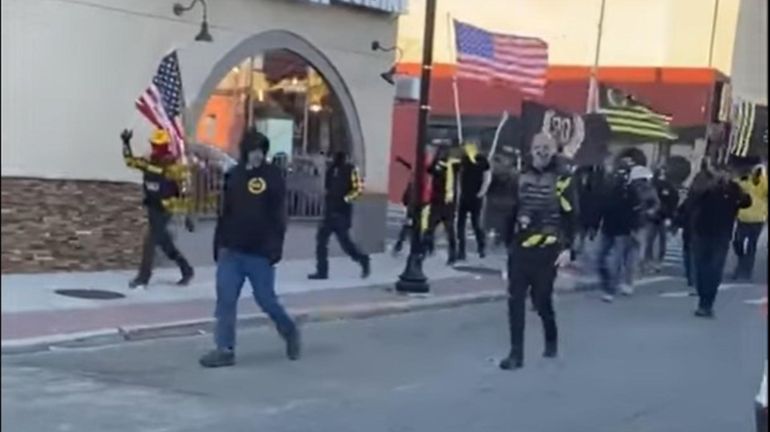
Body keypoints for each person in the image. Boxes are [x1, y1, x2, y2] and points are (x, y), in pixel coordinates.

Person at [200, 129, 300, 368]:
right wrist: (219, 243)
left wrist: (276, 247)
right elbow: (225, 211)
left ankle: (289, 330)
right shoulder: (234, 175)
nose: (255, 156)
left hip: (260, 253)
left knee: (266, 299)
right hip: (231, 251)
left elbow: (279, 215)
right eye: (251, 151)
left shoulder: (273, 176)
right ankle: (225, 349)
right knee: (225, 300)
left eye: (259, 152)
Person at [499, 133, 576, 371]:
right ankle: (516, 354)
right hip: (521, 247)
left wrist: (568, 248)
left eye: (546, 147)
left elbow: (572, 215)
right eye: (537, 147)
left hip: (548, 248)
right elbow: (510, 210)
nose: (541, 151)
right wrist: (504, 241)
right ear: (531, 150)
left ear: (553, 150)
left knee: (542, 300)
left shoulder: (563, 179)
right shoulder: (519, 176)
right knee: (515, 301)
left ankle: (551, 339)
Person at [121, 129, 194, 290]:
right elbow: (130, 161)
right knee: (164, 243)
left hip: (166, 209)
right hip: (153, 207)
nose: (154, 148)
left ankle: (143, 277)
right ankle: (186, 269)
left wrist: (188, 215)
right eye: (154, 145)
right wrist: (126, 143)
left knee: (150, 241)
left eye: (157, 145)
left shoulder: (173, 168)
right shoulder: (148, 163)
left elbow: (185, 190)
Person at [689, 164, 751, 318]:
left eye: (727, 173)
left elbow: (746, 202)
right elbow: (693, 199)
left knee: (715, 269)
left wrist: (737, 190)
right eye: (720, 172)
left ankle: (707, 303)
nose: (723, 176)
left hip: (722, 234)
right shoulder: (706, 187)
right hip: (702, 231)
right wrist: (711, 185)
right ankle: (702, 295)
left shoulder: (733, 188)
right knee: (700, 267)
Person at [308, 151, 370, 280]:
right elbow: (328, 188)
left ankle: (363, 259)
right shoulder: (332, 169)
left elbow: (358, 189)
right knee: (321, 241)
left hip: (342, 213)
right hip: (330, 212)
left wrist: (346, 199)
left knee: (346, 244)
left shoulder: (351, 170)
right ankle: (322, 271)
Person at [596, 161, 638, 302]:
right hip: (608, 227)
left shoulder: (630, 190)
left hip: (623, 230)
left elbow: (635, 211)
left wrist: (633, 227)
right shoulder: (608, 187)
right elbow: (601, 206)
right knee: (600, 258)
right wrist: (596, 223)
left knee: (616, 260)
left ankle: (610, 289)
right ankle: (607, 284)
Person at [423, 146, 460, 265]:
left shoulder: (454, 166)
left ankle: (452, 255)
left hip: (446, 203)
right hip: (439, 202)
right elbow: (429, 169)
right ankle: (428, 249)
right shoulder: (439, 166)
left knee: (448, 231)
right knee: (430, 229)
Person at [732, 160, 768, 281]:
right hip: (746, 217)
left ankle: (745, 270)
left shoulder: (763, 182)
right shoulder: (745, 180)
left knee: (747, 245)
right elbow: (735, 185)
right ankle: (743, 266)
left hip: (755, 218)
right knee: (739, 243)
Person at [456, 141, 492, 260]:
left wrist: (482, 192)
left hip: (476, 196)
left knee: (475, 223)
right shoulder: (464, 159)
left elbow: (487, 177)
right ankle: (461, 251)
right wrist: (459, 191)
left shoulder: (482, 160)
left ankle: (481, 247)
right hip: (465, 196)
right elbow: (460, 175)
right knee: (460, 225)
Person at [643, 167, 679, 273]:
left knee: (657, 241)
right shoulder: (654, 185)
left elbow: (673, 202)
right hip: (656, 217)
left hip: (660, 217)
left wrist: (671, 216)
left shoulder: (667, 186)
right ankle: (651, 261)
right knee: (653, 241)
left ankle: (654, 261)